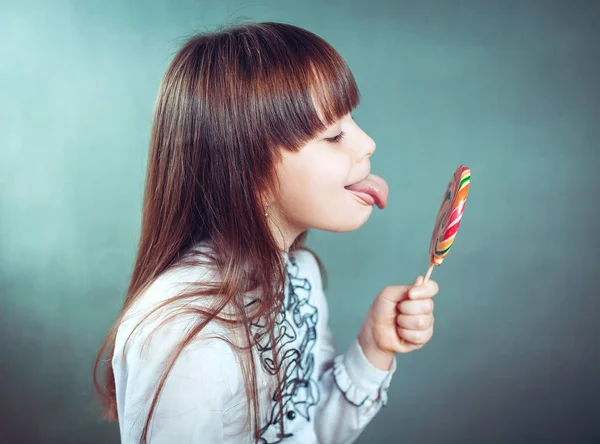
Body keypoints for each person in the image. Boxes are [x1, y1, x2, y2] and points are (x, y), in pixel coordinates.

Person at [93, 20, 439, 444]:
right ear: (250, 173)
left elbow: (308, 433)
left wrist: (373, 348)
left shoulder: (300, 275)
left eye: (352, 121)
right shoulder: (183, 334)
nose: (367, 143)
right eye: (333, 135)